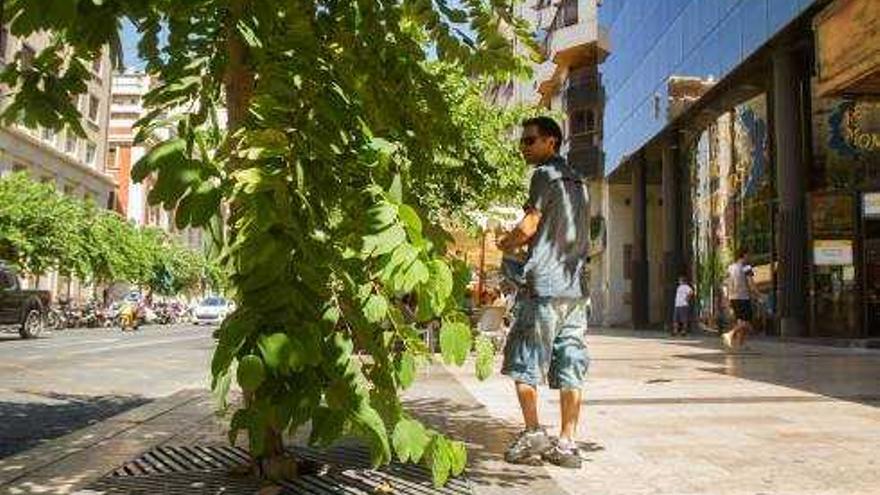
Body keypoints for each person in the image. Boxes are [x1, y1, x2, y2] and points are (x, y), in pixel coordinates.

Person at [495, 116, 591, 469]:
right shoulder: (581, 182)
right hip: (576, 290)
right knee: (572, 364)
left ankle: (534, 430)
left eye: (530, 140)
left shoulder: (544, 174)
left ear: (551, 142)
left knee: (524, 362)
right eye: (523, 141)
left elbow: (530, 225)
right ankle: (567, 444)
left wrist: (505, 243)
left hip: (546, 288)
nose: (524, 146)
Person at [723, 249, 756, 349]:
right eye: (749, 255)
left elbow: (727, 283)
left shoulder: (730, 267)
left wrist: (727, 298)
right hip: (743, 298)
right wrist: (758, 295)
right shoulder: (746, 267)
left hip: (733, 298)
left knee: (741, 322)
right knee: (747, 323)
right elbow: (751, 284)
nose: (750, 257)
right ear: (744, 255)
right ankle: (730, 334)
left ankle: (741, 344)